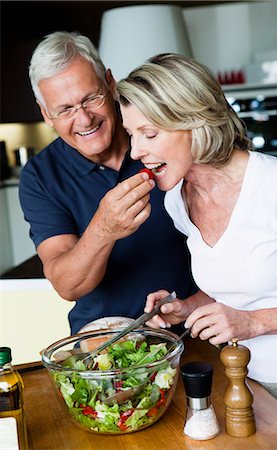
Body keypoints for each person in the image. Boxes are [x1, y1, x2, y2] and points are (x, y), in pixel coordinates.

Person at [117, 53, 277, 416]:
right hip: (241, 380)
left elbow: (248, 312)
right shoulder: (177, 201)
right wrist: (185, 308)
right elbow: (228, 288)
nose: (136, 151)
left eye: (149, 133)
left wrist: (253, 322)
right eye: (131, 134)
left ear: (194, 122)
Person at [19, 33, 197, 335]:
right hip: (105, 346)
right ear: (45, 114)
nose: (84, 119)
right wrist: (104, 228)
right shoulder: (40, 176)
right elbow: (67, 285)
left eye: (91, 98)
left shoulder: (160, 134)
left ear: (110, 84)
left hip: (192, 328)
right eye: (65, 110)